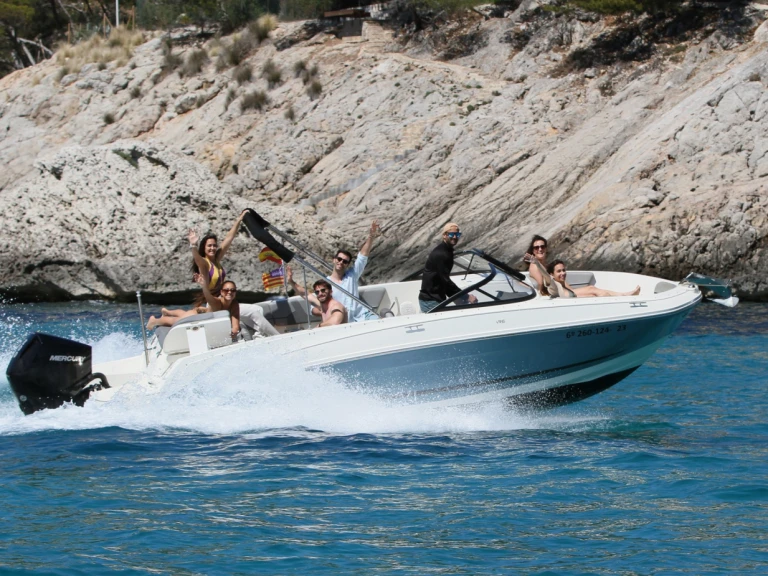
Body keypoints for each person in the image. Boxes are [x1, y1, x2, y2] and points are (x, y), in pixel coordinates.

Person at [286, 220, 381, 322]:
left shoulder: (352, 275)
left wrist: (371, 237)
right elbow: (309, 299)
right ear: (334, 260)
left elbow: (362, 257)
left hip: (363, 316)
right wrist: (328, 312)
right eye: (339, 259)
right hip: (345, 321)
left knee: (383, 321)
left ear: (347, 264)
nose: (341, 262)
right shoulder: (325, 284)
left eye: (345, 261)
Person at [160, 211, 247, 321]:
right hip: (212, 301)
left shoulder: (216, 259)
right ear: (204, 248)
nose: (212, 248)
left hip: (219, 298)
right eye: (209, 246)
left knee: (193, 312)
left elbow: (229, 238)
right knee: (186, 318)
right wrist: (193, 245)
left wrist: (239, 220)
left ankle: (168, 312)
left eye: (214, 245)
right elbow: (196, 258)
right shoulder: (204, 263)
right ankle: (157, 320)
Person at [418, 222, 478, 313]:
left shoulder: (447, 251)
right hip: (431, 301)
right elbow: (446, 280)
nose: (454, 237)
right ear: (444, 235)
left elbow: (442, 280)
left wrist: (456, 298)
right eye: (451, 234)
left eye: (457, 234)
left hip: (434, 298)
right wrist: (466, 296)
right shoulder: (442, 254)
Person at [548, 260, 640, 298]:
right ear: (552, 274)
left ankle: (624, 295)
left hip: (575, 298)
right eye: (559, 271)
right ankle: (624, 296)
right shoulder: (554, 285)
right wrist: (536, 263)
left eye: (563, 270)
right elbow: (545, 275)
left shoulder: (563, 282)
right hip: (572, 300)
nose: (563, 273)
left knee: (593, 290)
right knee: (593, 290)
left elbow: (573, 293)